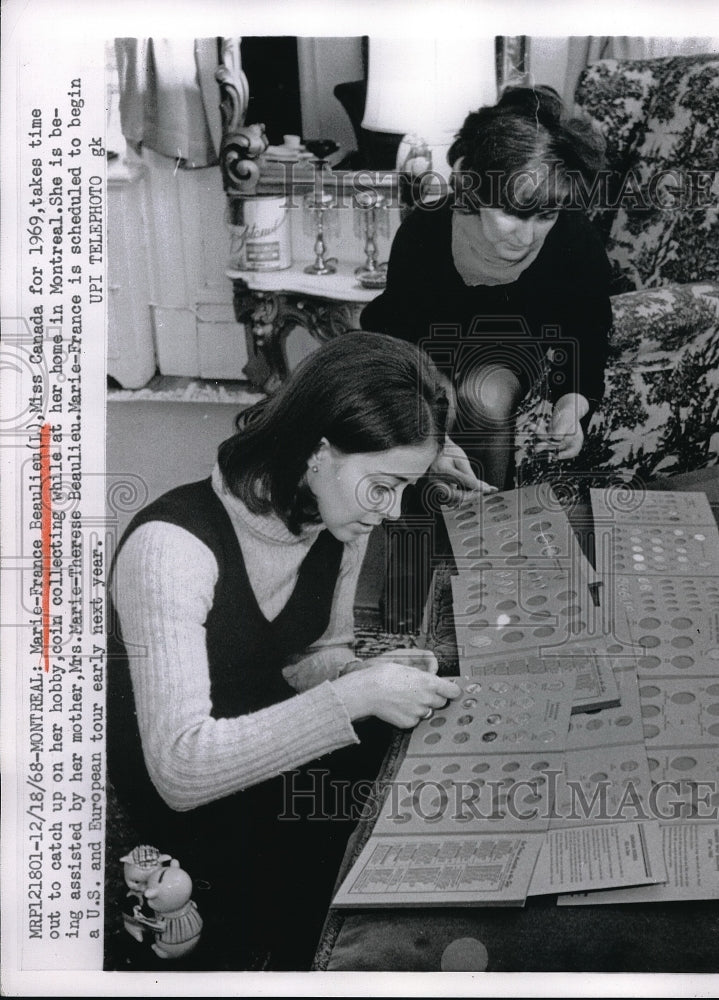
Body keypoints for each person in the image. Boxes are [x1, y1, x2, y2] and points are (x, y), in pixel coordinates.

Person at [106, 332, 462, 971]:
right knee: (371, 882)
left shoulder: (334, 519)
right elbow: (181, 771)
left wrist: (363, 670)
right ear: (320, 452)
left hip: (272, 745)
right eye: (384, 485)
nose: (392, 511)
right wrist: (356, 694)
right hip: (195, 797)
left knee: (429, 786)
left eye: (406, 488)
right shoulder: (169, 550)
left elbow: (308, 657)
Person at [361, 85, 613, 491]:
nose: (526, 236)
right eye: (512, 212)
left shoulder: (573, 240)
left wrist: (572, 404)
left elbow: (589, 328)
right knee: (431, 408)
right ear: (475, 190)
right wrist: (432, 389)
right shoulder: (423, 233)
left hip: (512, 350)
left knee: (484, 392)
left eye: (544, 215)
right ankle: (423, 527)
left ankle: (484, 526)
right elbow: (399, 330)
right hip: (426, 348)